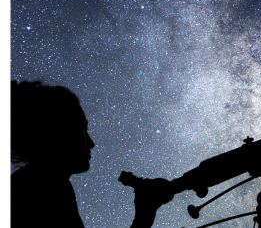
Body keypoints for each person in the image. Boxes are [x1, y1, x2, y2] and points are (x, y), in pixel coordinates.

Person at [11, 80, 175, 228]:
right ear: (61, 127)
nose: (91, 143)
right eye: (84, 127)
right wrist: (143, 218)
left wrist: (143, 217)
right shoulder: (48, 185)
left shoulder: (30, 182)